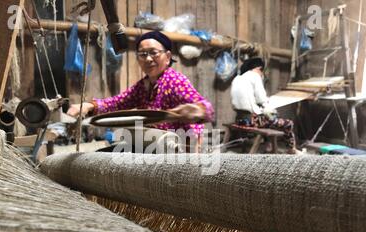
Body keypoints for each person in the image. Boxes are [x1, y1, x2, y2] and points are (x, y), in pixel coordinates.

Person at [67, 30, 214, 151]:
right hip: (154, 145)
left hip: (181, 149)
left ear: (167, 57)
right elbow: (118, 103)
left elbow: (207, 109)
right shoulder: (142, 86)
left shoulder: (175, 81)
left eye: (154, 53)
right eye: (143, 54)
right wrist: (89, 106)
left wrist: (197, 110)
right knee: (102, 155)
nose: (148, 59)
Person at [230, 57, 301, 154]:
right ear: (259, 69)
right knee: (287, 123)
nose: (262, 74)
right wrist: (270, 105)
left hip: (239, 119)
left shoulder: (237, 79)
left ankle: (268, 146)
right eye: (262, 71)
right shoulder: (255, 76)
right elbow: (262, 99)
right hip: (252, 121)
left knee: (269, 118)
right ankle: (291, 149)